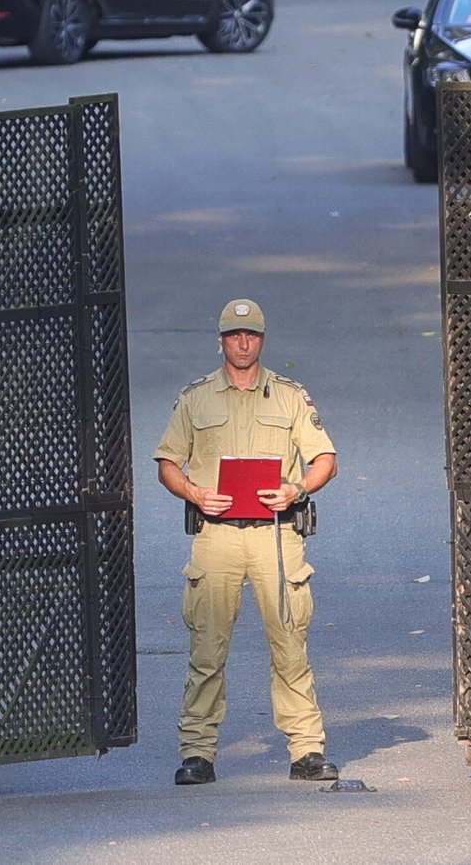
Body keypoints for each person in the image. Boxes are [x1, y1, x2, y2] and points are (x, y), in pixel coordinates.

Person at [154, 297, 339, 786]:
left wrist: (295, 489)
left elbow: (325, 458)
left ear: (262, 340)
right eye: (234, 335)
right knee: (207, 650)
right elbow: (167, 461)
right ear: (221, 341)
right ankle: (197, 753)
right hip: (216, 538)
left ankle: (307, 750)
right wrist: (194, 492)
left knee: (290, 645)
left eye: (251, 335)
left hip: (276, 538)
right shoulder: (196, 398)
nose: (242, 342)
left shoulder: (290, 396)